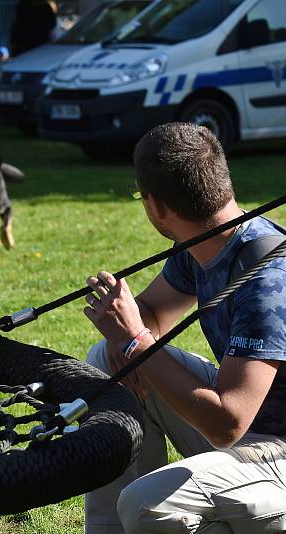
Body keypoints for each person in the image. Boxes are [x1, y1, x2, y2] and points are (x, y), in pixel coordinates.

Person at [82, 122, 286, 533]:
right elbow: (153, 312)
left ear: (156, 207)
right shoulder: (200, 246)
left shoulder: (268, 279)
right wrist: (128, 340)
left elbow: (228, 422)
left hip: (274, 450)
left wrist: (138, 344)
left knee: (146, 505)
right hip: (251, 431)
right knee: (106, 360)